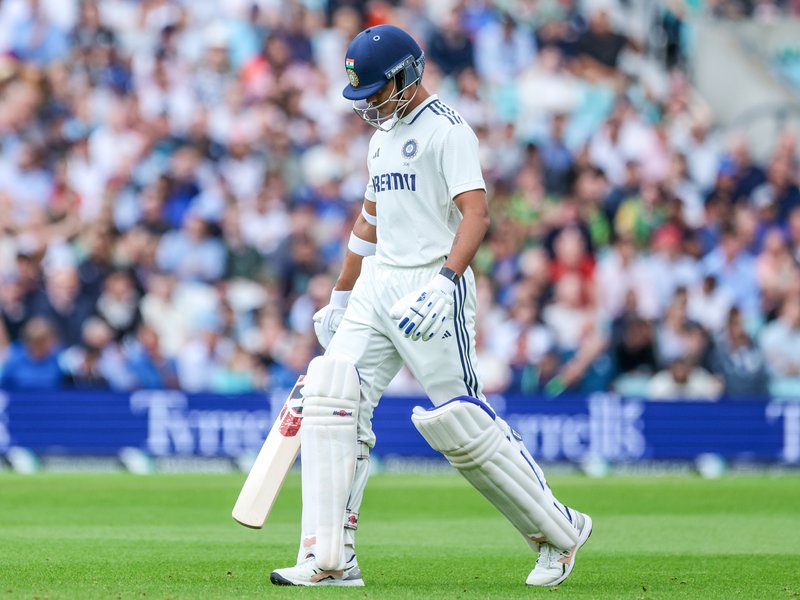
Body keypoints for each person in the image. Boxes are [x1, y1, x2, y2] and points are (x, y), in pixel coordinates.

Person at [268, 24, 592, 589]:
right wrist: (342, 293)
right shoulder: (381, 136)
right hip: (378, 282)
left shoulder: (449, 130)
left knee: (459, 422)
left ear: (408, 74)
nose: (368, 103)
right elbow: (368, 223)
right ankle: (330, 557)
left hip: (431, 286)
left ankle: (560, 533)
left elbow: (477, 215)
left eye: (375, 89)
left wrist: (446, 282)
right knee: (330, 394)